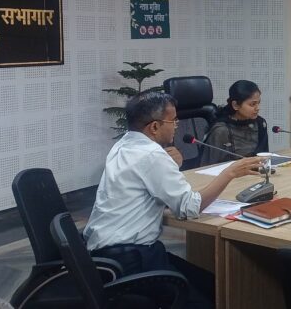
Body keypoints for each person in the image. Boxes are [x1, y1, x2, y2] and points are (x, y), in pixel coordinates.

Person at [84, 92, 261, 308]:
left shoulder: (123, 145)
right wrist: (230, 173)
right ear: (154, 127)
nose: (177, 125)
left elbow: (145, 185)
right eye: (173, 120)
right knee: (209, 298)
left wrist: (170, 166)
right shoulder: (152, 155)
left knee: (210, 284)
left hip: (105, 255)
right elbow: (190, 207)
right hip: (132, 258)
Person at [204, 80, 268, 165]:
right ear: (236, 105)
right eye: (252, 104)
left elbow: (264, 157)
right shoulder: (221, 130)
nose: (257, 108)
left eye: (258, 103)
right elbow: (207, 167)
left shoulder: (260, 123)